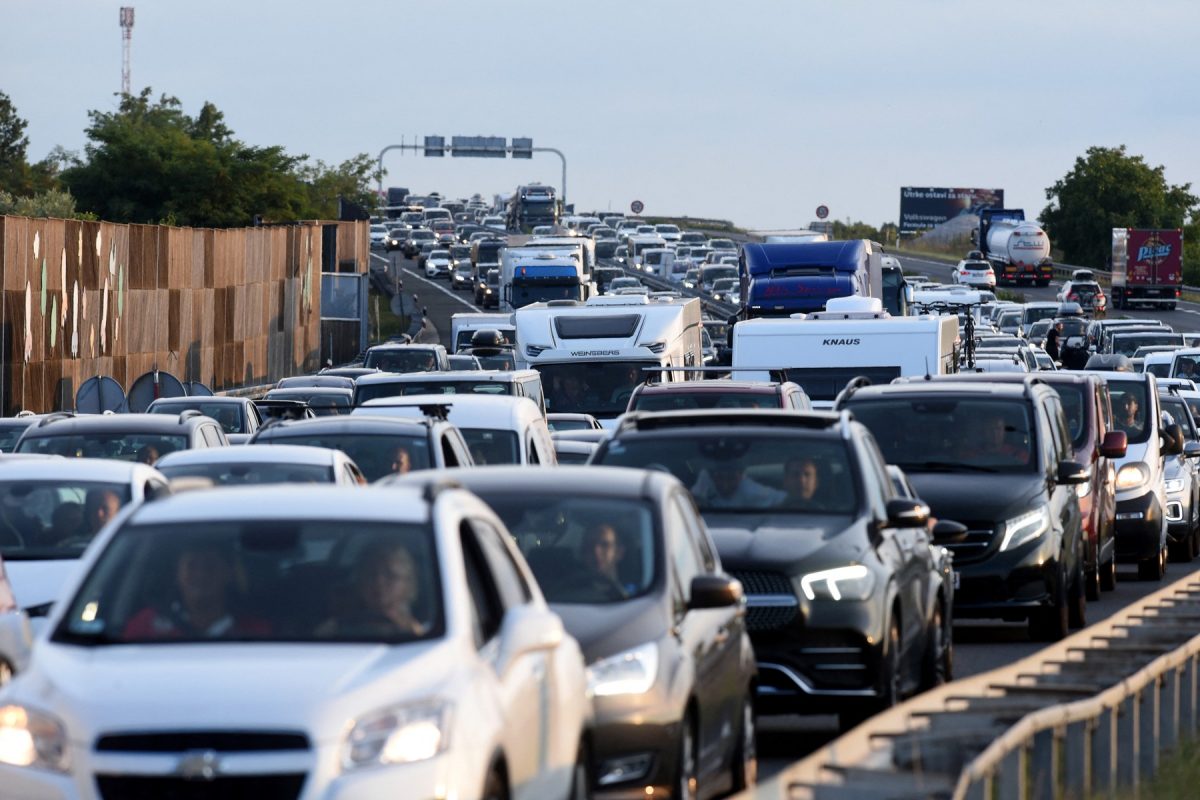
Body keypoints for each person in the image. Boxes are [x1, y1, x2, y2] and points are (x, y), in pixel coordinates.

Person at [123, 542, 270, 639]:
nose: (200, 575)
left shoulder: (254, 631)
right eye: (191, 566)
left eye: (210, 566)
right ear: (178, 573)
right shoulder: (145, 625)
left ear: (229, 574)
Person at [320, 542, 425, 637]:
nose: (378, 582)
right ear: (360, 582)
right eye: (370, 574)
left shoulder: (423, 635)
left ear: (409, 584)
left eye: (390, 575)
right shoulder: (335, 627)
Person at [691, 459, 785, 509]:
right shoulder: (704, 483)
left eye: (731, 478)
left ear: (741, 476)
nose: (725, 485)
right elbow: (689, 502)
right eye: (719, 478)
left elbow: (784, 499)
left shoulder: (753, 492)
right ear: (711, 477)